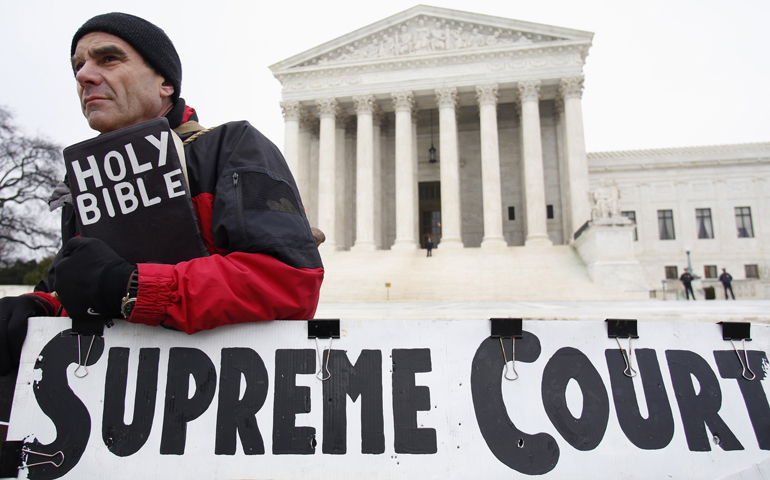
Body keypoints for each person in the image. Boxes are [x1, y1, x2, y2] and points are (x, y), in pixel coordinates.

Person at [0, 13, 324, 377]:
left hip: (220, 390)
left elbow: (288, 281)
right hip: (116, 398)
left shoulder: (231, 147)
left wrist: (132, 288)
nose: (83, 76)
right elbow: (82, 286)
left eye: (108, 58)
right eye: (78, 65)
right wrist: (38, 307)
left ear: (165, 83)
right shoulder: (82, 180)